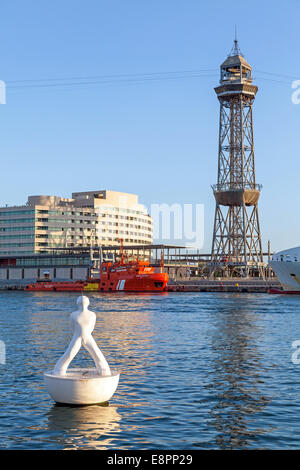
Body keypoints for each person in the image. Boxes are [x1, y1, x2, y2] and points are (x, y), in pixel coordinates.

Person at [53, 295, 111, 377]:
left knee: (96, 353)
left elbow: (91, 327)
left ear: (88, 303)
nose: (83, 304)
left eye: (84, 302)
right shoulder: (73, 315)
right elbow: (72, 327)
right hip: (77, 337)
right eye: (81, 302)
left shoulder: (92, 315)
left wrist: (86, 335)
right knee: (69, 353)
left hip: (88, 337)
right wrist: (78, 335)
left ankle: (103, 370)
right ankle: (59, 370)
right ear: (78, 303)